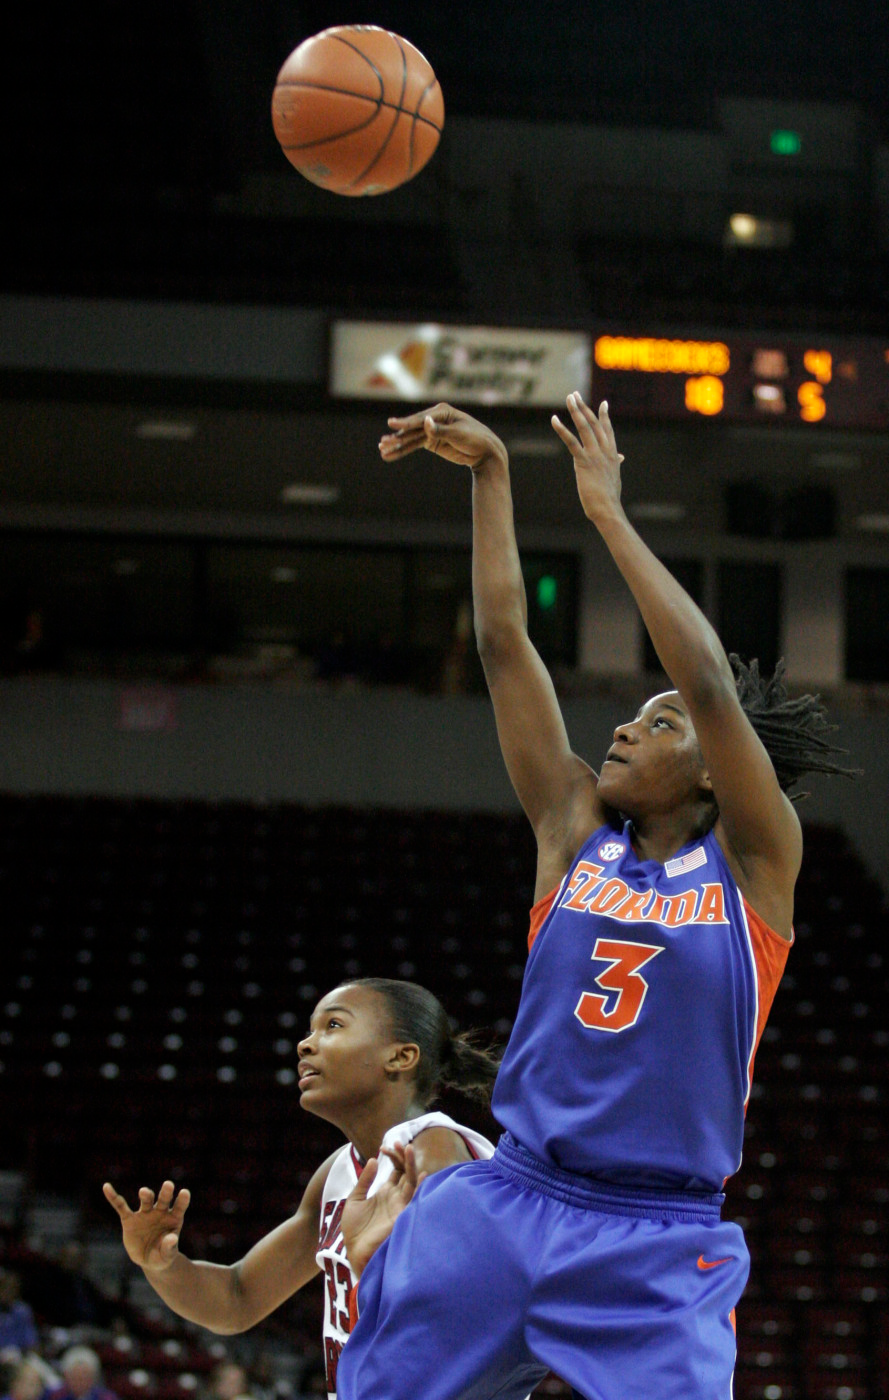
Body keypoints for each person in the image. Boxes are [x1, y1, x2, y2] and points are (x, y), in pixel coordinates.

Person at [333, 396, 856, 1400]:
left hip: (653, 1237)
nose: (625, 726)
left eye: (658, 723)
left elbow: (704, 678)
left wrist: (607, 511)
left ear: (718, 767)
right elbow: (501, 644)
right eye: (633, 713)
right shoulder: (572, 831)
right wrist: (492, 477)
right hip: (505, 1199)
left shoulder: (755, 861)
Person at [103, 979, 499, 1400]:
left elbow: (464, 1314)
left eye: (333, 1026)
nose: (305, 1045)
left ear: (399, 1057)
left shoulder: (434, 1147)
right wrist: (163, 1265)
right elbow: (236, 1299)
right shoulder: (337, 1174)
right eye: (310, 1030)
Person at [48, 1349, 117, 1400]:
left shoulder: (106, 1397)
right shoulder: (55, 1397)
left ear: (93, 1378)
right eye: (75, 1378)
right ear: (66, 1376)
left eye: (84, 1378)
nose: (80, 1383)